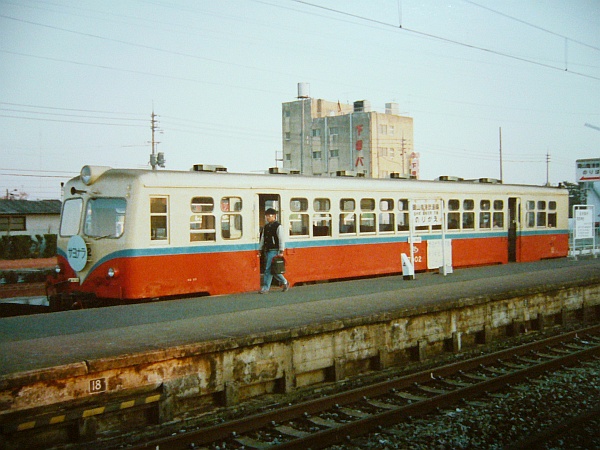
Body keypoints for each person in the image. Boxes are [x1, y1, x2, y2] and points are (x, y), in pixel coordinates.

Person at [258, 208, 290, 294]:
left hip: (274, 250)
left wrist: (281, 251)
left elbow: (281, 239)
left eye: (269, 216)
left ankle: (265, 288)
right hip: (267, 250)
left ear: (274, 216)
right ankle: (285, 282)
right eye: (266, 216)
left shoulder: (278, 226)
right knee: (273, 270)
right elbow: (263, 238)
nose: (267, 217)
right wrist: (260, 249)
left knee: (268, 269)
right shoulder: (266, 227)